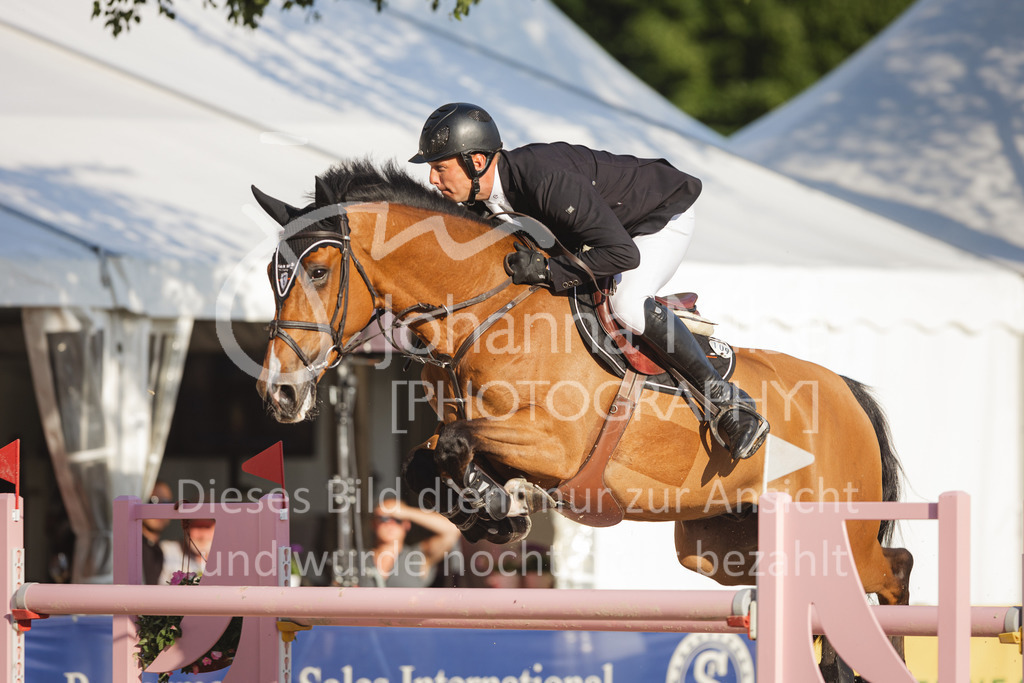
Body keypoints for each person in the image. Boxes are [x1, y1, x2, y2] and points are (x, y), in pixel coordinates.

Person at [409, 102, 768, 460]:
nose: (432, 180)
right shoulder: (478, 201)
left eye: (440, 167)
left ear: (476, 161)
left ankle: (727, 403)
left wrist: (551, 272)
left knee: (626, 303)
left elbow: (622, 256)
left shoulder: (544, 179)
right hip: (604, 232)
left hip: (656, 218)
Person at [358, 497, 460, 588]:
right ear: (373, 523)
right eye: (384, 518)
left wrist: (406, 512)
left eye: (397, 519)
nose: (390, 524)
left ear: (406, 525)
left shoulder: (417, 558)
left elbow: (452, 531)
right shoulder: (357, 559)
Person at [141, 481, 173, 585]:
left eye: (166, 503)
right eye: (153, 501)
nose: (159, 508)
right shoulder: (129, 547)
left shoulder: (160, 549)